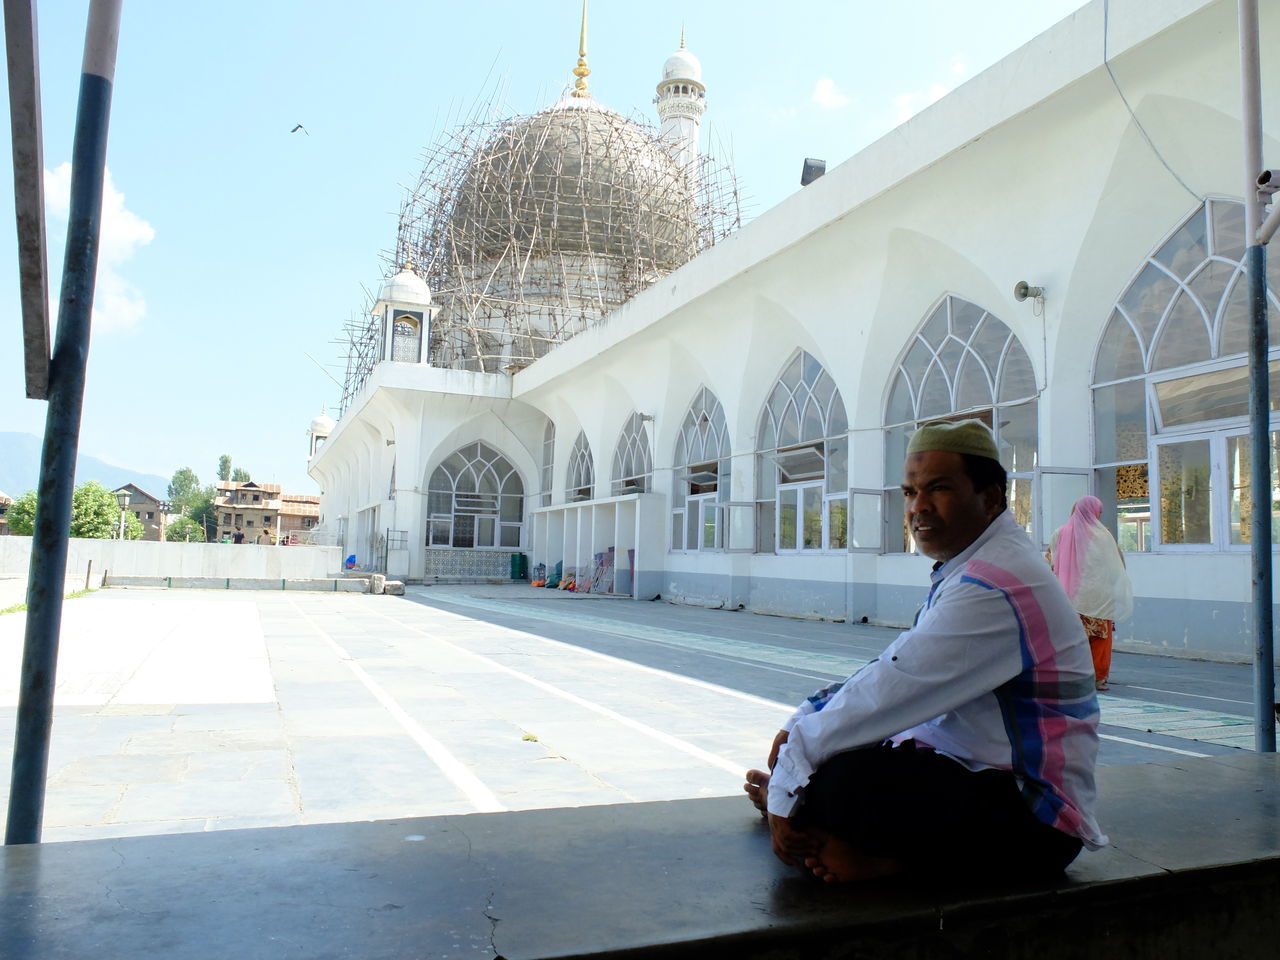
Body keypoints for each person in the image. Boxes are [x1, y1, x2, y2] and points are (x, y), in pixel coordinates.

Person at [743, 420, 1105, 883]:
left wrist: (795, 771)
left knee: (836, 780)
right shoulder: (971, 568)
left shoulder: (995, 584)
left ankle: (892, 866)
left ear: (991, 498)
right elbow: (893, 669)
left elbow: (894, 687)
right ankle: (825, 820)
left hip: (1034, 822)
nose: (918, 508)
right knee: (827, 758)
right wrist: (803, 727)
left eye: (938, 489)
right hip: (979, 781)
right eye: (910, 492)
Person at [1048, 495, 1133, 691]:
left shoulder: (1059, 533)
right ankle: (1097, 678)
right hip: (1098, 596)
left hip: (1069, 596)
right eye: (1099, 512)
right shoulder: (1103, 536)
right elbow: (1117, 565)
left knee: (1073, 639)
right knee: (1100, 638)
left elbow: (1052, 563)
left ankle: (1071, 677)